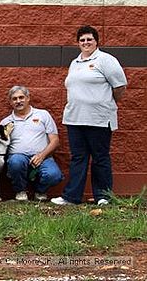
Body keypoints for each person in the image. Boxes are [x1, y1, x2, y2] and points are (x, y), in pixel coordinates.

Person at [52, 25, 127, 206]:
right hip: (74, 118)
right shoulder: (74, 63)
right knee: (78, 157)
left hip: (99, 119)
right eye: (82, 40)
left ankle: (103, 197)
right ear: (78, 43)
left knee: (100, 157)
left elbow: (120, 86)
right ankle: (71, 197)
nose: (86, 43)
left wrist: (106, 103)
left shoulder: (105, 60)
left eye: (89, 39)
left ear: (96, 41)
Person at [0, 86, 63, 201]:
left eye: (21, 97)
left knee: (54, 175)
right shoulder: (6, 122)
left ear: (28, 98)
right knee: (16, 162)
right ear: (10, 102)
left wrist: (41, 155)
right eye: (14, 99)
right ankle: (20, 191)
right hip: (17, 157)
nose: (18, 101)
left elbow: (55, 141)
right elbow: (1, 146)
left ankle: (40, 191)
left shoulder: (43, 115)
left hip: (43, 157)